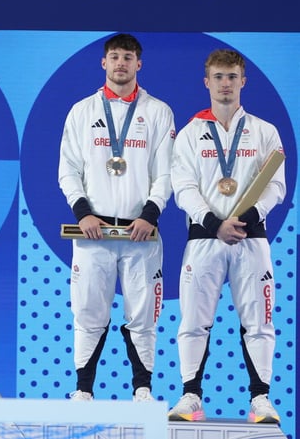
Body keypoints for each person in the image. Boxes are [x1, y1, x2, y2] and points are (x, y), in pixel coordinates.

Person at [168, 49, 285, 424]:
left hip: (252, 240)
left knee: (259, 320)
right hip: (204, 240)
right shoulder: (189, 134)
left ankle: (261, 400)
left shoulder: (265, 131)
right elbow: (182, 187)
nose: (225, 84)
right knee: (193, 320)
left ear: (243, 81)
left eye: (232, 76)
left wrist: (249, 217)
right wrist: (213, 222)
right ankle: (190, 396)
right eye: (218, 76)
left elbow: (276, 185)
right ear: (206, 82)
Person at [57, 33, 175, 401]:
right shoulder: (82, 111)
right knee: (88, 312)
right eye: (114, 57)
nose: (121, 63)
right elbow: (67, 170)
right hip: (93, 231)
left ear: (139, 64)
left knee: (143, 316)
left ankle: (142, 390)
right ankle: (83, 391)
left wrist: (150, 215)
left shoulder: (158, 111)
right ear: (103, 63)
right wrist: (83, 213)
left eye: (128, 57)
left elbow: (166, 172)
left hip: (141, 233)